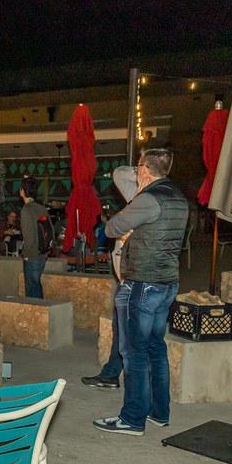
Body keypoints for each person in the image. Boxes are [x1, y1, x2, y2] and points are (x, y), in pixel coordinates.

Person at [93, 148, 188, 436]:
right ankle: (159, 412)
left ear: (145, 170)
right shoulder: (179, 198)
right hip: (168, 282)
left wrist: (132, 201)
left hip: (143, 283)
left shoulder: (148, 198)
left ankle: (133, 418)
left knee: (134, 352)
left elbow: (111, 228)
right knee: (156, 349)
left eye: (138, 168)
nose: (135, 172)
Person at [82, 165, 139, 390]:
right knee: (120, 333)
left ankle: (128, 383)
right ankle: (111, 374)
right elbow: (120, 174)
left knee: (129, 336)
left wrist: (144, 171)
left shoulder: (142, 208)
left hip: (133, 282)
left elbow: (118, 174)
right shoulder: (137, 206)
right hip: (125, 281)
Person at [19, 177, 51, 298]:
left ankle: (36, 314)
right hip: (43, 253)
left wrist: (26, 255)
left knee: (32, 290)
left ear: (22, 191)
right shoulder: (42, 208)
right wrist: (47, 250)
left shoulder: (26, 210)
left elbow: (29, 238)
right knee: (37, 285)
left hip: (32, 255)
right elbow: (50, 229)